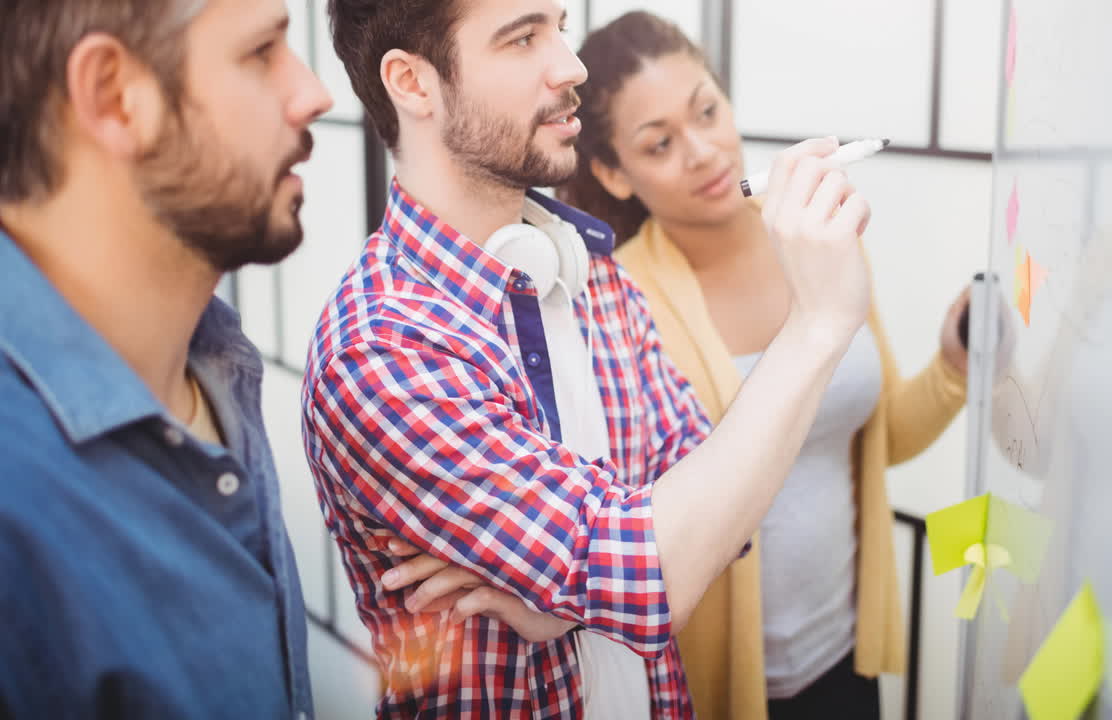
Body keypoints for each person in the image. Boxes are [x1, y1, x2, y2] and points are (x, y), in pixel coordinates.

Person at [303, 0, 876, 717]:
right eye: (522, 38)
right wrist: (818, 326)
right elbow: (653, 567)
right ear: (413, 83)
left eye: (560, 28)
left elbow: (718, 517)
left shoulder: (596, 280)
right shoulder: (383, 347)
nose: (570, 66)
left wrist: (567, 598)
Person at [557, 12, 970, 720]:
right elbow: (625, 524)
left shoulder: (816, 242)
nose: (704, 151)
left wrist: (956, 366)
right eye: (659, 144)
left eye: (708, 112)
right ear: (611, 174)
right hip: (713, 687)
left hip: (845, 658)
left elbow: (878, 436)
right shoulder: (613, 301)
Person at [0, 0, 332, 717]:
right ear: (116, 98)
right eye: (261, 52)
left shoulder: (206, 360)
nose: (313, 91)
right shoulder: (17, 511)